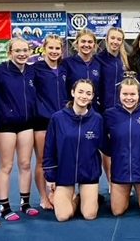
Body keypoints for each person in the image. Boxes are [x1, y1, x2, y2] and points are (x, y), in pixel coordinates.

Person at [43, 79, 105, 222]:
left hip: (88, 173)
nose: (84, 96)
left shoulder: (97, 119)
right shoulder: (57, 118)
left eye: (88, 93)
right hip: (65, 173)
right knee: (63, 216)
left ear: (92, 96)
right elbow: (49, 149)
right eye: (80, 92)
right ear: (73, 93)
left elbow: (105, 146)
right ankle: (76, 199)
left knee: (89, 215)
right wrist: (50, 176)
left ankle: (82, 199)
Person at [0, 38, 39, 221]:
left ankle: (25, 203)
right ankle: (4, 207)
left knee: (26, 164)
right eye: (17, 50)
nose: (22, 54)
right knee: (6, 166)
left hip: (27, 123)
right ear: (10, 52)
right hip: (6, 124)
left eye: (25, 50)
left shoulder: (31, 71)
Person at [103, 74, 140, 216]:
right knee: (117, 212)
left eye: (132, 94)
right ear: (119, 94)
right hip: (120, 171)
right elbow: (103, 143)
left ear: (139, 95)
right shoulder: (110, 114)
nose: (129, 97)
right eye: (125, 94)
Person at [33, 34, 68, 210]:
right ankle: (43, 197)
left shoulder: (63, 69)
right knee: (42, 160)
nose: (54, 51)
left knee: (61, 158)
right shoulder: (36, 69)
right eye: (51, 48)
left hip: (61, 121)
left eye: (57, 48)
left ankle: (59, 193)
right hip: (42, 121)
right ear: (44, 48)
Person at [96, 27, 129, 194]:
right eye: (113, 38)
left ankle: (123, 178)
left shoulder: (124, 60)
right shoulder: (98, 60)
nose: (115, 42)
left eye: (119, 39)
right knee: (108, 148)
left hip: (123, 110)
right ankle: (111, 182)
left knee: (122, 145)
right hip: (105, 110)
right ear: (107, 39)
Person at [63, 29, 101, 110]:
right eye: (83, 41)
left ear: (94, 45)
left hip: (93, 111)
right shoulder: (67, 63)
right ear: (77, 43)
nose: (86, 45)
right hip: (72, 111)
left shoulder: (98, 64)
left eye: (90, 42)